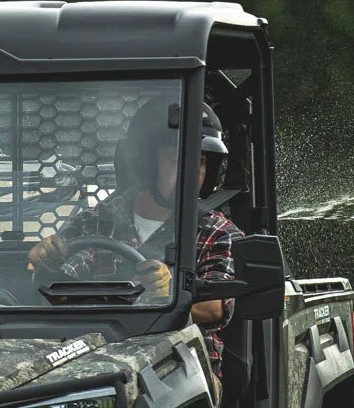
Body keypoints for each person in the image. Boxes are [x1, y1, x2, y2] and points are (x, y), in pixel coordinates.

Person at [29, 101, 240, 379]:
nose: (191, 174)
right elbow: (60, 288)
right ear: (145, 165)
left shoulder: (217, 231)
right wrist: (46, 259)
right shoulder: (97, 220)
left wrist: (172, 293)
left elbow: (216, 308)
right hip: (96, 363)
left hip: (182, 372)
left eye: (200, 163)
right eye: (175, 161)